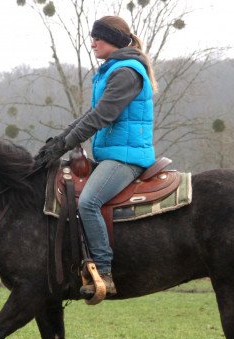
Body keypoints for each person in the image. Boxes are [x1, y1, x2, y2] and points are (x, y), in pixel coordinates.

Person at [37, 15, 157, 297]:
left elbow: (103, 116)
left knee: (89, 202)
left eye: (97, 38)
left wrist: (65, 144)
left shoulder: (126, 72)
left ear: (113, 40)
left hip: (126, 158)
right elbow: (91, 114)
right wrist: (59, 141)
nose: (92, 44)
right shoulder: (111, 71)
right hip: (112, 154)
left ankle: (103, 272)